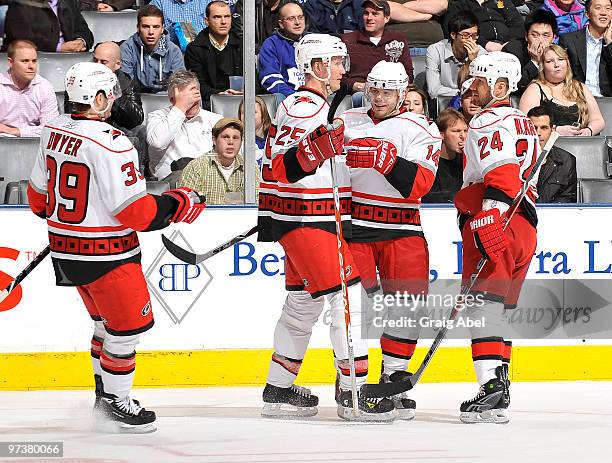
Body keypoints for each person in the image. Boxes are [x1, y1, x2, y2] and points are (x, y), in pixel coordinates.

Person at [27, 62, 206, 433]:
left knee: (103, 325)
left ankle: (102, 393)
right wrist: (180, 203)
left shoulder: (52, 130)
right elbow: (136, 214)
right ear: (98, 97)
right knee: (126, 329)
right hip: (108, 255)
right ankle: (116, 402)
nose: (113, 101)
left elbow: (38, 201)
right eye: (109, 93)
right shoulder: (113, 143)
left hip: (65, 252)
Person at [258, 34, 396, 422]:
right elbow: (286, 168)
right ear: (317, 66)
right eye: (336, 63)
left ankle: (278, 389)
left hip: (300, 220)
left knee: (302, 306)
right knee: (348, 301)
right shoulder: (306, 108)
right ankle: (355, 395)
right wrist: (318, 148)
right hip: (311, 220)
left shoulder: (296, 105)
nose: (342, 70)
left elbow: (276, 170)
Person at [339, 60, 441, 420]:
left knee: (406, 307)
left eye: (387, 91)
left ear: (402, 93)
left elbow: (420, 186)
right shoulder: (347, 122)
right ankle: (352, 384)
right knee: (353, 309)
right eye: (374, 89)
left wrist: (388, 161)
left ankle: (391, 379)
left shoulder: (421, 128)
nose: (379, 97)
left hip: (403, 229)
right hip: (356, 226)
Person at [454, 51, 540, 424]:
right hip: (525, 225)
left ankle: (489, 386)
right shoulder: (523, 121)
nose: (472, 87)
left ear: (500, 87)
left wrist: (490, 218)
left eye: (480, 81)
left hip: (497, 220)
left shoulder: (487, 119)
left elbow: (502, 175)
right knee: (502, 309)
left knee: (482, 306)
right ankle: (500, 385)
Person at [147, 70, 223, 181]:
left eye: (193, 95)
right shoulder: (157, 117)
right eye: (186, 98)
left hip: (209, 181)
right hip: (171, 186)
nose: (190, 102)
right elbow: (157, 143)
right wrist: (181, 107)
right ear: (172, 99)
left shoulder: (215, 120)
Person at [519, 44, 605, 136]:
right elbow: (526, 124)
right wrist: (555, 130)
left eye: (561, 59)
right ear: (542, 66)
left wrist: (589, 131)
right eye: (550, 61)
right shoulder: (535, 89)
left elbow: (598, 121)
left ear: (567, 63)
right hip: (550, 146)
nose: (557, 65)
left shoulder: (580, 88)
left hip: (581, 145)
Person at [341, 0, 414, 99]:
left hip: (391, 93)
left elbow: (408, 73)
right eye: (366, 13)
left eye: (375, 14)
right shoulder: (348, 40)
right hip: (358, 94)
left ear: (386, 18)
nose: (369, 18)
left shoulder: (398, 40)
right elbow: (338, 76)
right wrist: (354, 85)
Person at [179, 117, 261, 204]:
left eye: (235, 138)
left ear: (241, 141)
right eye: (225, 137)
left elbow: (258, 202)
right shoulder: (196, 167)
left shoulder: (250, 168)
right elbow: (186, 206)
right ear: (214, 140)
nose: (230, 142)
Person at [66, 42, 144, 132]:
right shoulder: (79, 79)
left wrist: (115, 91)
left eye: (103, 62)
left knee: (140, 133)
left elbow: (137, 120)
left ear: (117, 65)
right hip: (84, 129)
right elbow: (70, 110)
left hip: (117, 131)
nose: (97, 65)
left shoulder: (127, 82)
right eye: (95, 60)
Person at [184, 0, 243, 109]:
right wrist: (220, 94)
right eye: (217, 17)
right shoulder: (194, 49)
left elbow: (252, 80)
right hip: (208, 104)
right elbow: (198, 84)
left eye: (227, 16)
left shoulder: (243, 46)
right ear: (207, 21)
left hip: (241, 102)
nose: (223, 21)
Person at [120, 5, 185, 94]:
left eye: (156, 27)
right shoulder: (127, 48)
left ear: (162, 29)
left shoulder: (174, 51)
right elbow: (125, 85)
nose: (151, 32)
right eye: (146, 26)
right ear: (138, 28)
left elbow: (179, 85)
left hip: (165, 100)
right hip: (134, 99)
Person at [0, 40, 58, 138]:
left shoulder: (44, 87)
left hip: (34, 147)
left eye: (34, 61)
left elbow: (50, 129)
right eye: (25, 61)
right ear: (10, 62)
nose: (31, 66)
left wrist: (15, 131)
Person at [559, 0, 612, 97]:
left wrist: (609, 43)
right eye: (598, 8)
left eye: (608, 8)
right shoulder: (568, 40)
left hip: (608, 100)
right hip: (577, 99)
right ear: (587, 14)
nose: (604, 13)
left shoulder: (610, 43)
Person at [426, 11, 485, 98]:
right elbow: (433, 90)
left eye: (474, 36)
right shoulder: (436, 50)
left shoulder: (481, 53)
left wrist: (471, 62)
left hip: (472, 103)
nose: (471, 41)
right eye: (465, 35)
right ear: (453, 35)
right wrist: (461, 94)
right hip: (445, 104)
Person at [2, 0, 94, 53]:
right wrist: (59, 48)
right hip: (37, 60)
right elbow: (22, 38)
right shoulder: (20, 3)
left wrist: (81, 42)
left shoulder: (69, 2)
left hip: (71, 58)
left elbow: (83, 29)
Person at [503, 9, 558, 95]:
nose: (540, 40)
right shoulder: (512, 50)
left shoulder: (559, 52)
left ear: (554, 37)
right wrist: (535, 61)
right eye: (535, 35)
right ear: (526, 36)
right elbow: (513, 87)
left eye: (545, 35)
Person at [528, 105, 577, 202]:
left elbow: (568, 199)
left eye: (544, 128)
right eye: (534, 127)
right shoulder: (516, 158)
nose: (538, 133)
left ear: (552, 130)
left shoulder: (567, 160)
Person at [258, 1, 306, 99]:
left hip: (314, 98)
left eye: (300, 17)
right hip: (286, 100)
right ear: (281, 24)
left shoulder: (314, 41)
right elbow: (270, 78)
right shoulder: (271, 44)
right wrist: (294, 97)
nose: (297, 22)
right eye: (291, 18)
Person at [442, 0, 525, 52]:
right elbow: (452, 27)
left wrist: (509, 44)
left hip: (508, 44)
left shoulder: (501, 2)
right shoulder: (460, 3)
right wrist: (485, 44)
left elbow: (517, 23)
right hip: (478, 46)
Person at [423, 108, 466, 203]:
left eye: (465, 131)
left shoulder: (466, 161)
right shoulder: (430, 164)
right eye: (456, 131)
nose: (463, 136)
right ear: (441, 134)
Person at [238, 96, 272, 169]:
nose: (248, 115)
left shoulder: (275, 137)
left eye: (253, 112)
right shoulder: (238, 141)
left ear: (263, 115)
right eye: (243, 112)